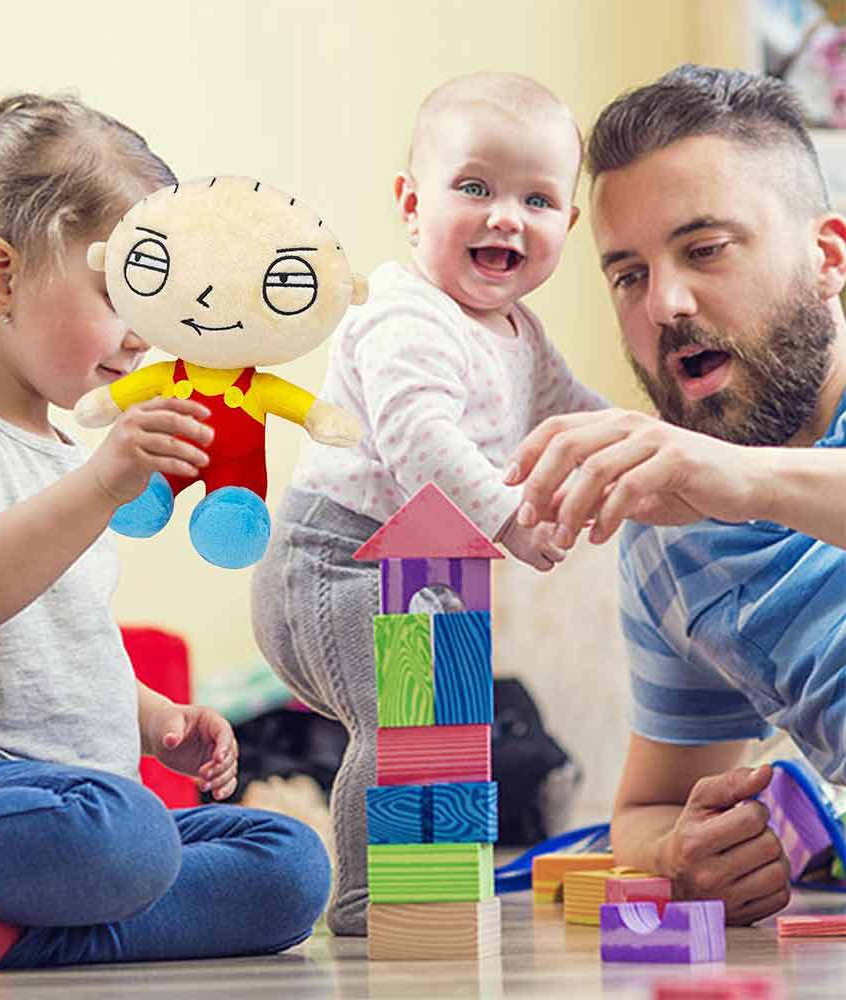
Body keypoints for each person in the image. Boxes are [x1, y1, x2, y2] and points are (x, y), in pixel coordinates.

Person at [0, 93, 330, 975]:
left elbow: (56, 638)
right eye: (125, 289)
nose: (150, 332)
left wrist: (153, 720)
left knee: (290, 863)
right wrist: (102, 482)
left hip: (78, 802)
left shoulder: (59, 446)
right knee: (127, 836)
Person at [252, 71, 605, 936]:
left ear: (568, 223)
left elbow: (579, 415)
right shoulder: (402, 312)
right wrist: (514, 517)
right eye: (474, 187)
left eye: (538, 198)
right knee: (402, 721)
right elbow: (422, 445)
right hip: (333, 558)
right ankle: (373, 897)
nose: (504, 216)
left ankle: (437, 888)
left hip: (426, 562)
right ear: (412, 203)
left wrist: (650, 450)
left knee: (453, 724)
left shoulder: (521, 334)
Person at [506, 64, 846, 925]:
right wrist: (682, 855)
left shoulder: (702, 483)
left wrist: (740, 481)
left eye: (705, 249)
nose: (664, 303)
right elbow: (646, 811)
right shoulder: (670, 535)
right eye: (627, 274)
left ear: (828, 256)